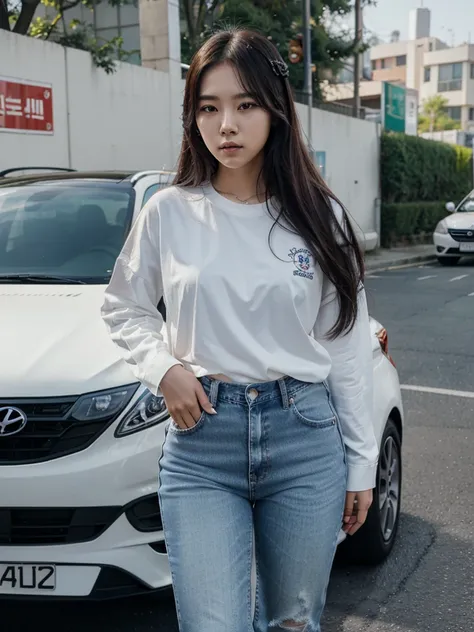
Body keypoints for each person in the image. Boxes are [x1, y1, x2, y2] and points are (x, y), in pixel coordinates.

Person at [101, 27, 379, 632]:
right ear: (192, 116)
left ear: (277, 111)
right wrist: (164, 369)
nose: (226, 124)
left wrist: (362, 464)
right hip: (203, 441)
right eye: (209, 106)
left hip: (305, 435)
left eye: (245, 104)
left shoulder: (319, 214)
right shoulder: (169, 212)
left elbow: (347, 347)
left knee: (292, 622)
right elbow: (124, 306)